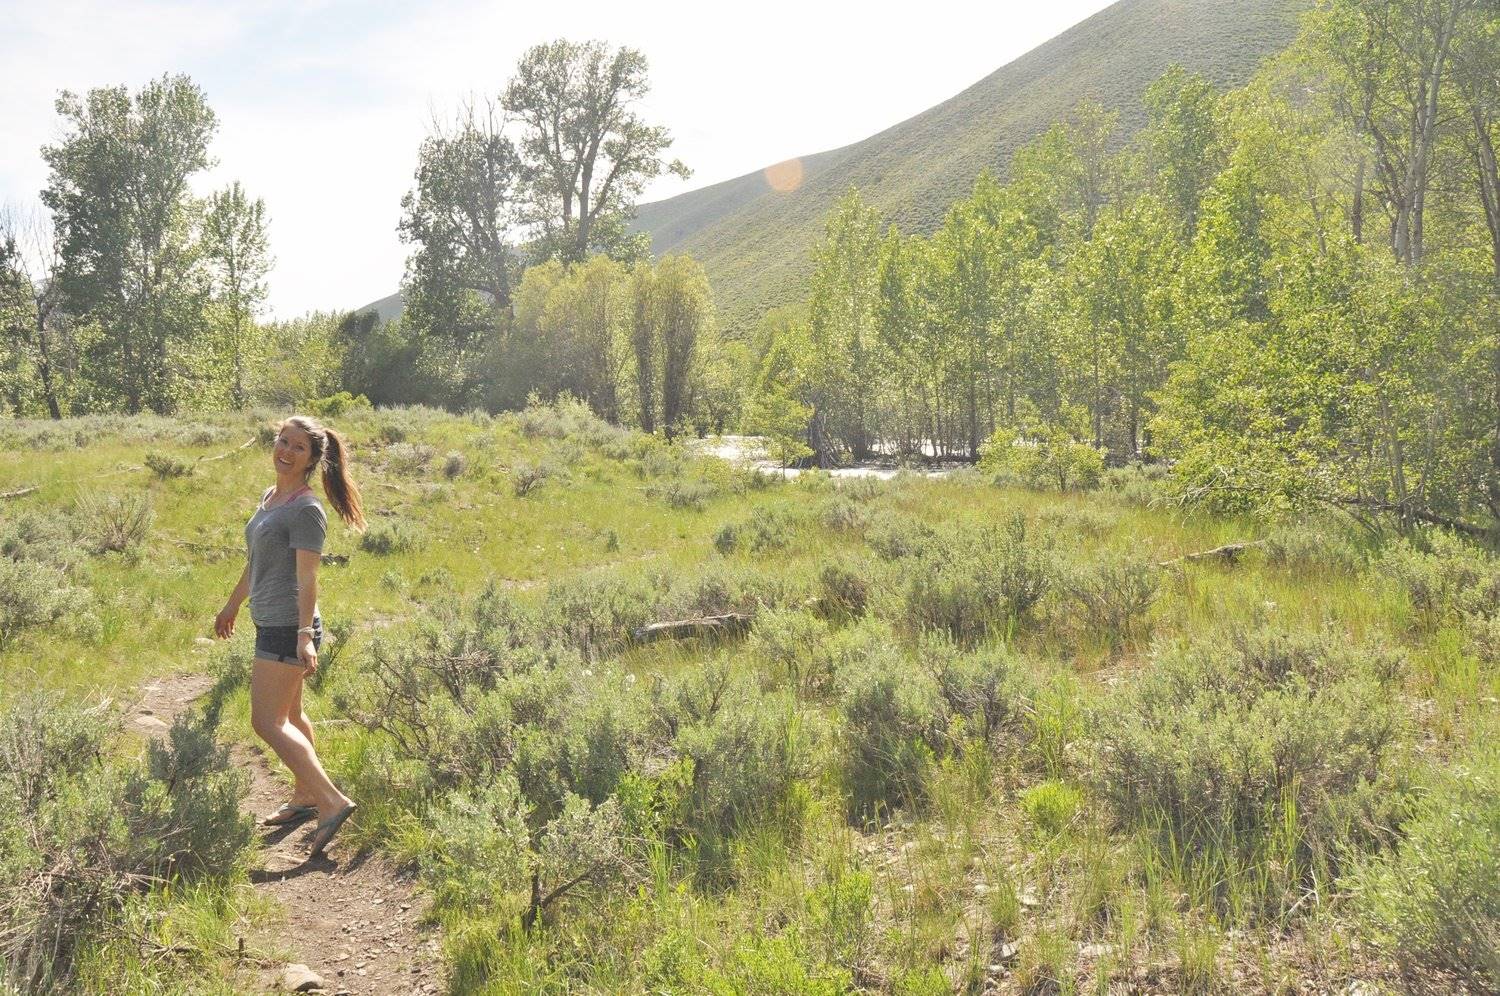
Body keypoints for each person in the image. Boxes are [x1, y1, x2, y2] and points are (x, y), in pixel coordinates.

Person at [214, 415, 366, 857]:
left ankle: (331, 800)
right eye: (283, 441)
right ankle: (304, 798)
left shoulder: (305, 509)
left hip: (288, 628)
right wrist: (233, 603)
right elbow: (256, 561)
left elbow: (308, 578)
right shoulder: (270, 498)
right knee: (294, 716)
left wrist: (303, 635)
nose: (286, 450)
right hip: (272, 620)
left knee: (266, 722)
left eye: (298, 447)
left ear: (312, 459)